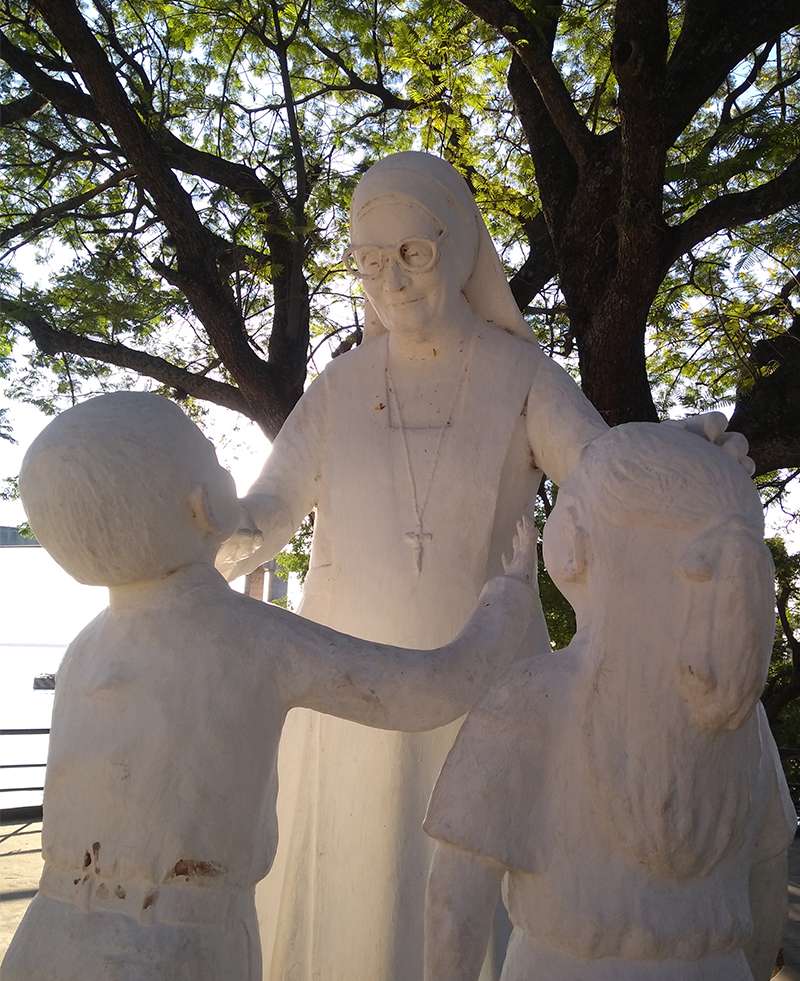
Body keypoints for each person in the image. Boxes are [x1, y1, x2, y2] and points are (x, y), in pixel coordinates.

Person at [217, 152, 753, 981]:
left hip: (488, 697)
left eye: (413, 254)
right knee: (356, 878)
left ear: (459, 246)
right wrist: (184, 543)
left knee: (469, 874)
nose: (390, 281)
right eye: (368, 262)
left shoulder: (523, 376)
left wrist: (678, 455)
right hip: (351, 694)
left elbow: (608, 475)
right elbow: (265, 513)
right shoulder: (338, 388)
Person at [1, 391, 540, 981]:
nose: (231, 470)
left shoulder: (87, 646)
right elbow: (427, 691)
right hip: (177, 944)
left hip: (47, 933)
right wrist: (505, 606)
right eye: (214, 458)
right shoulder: (247, 637)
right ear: (202, 505)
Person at [424, 424, 797, 981]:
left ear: (577, 544)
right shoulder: (745, 725)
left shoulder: (531, 699)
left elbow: (454, 912)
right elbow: (767, 891)